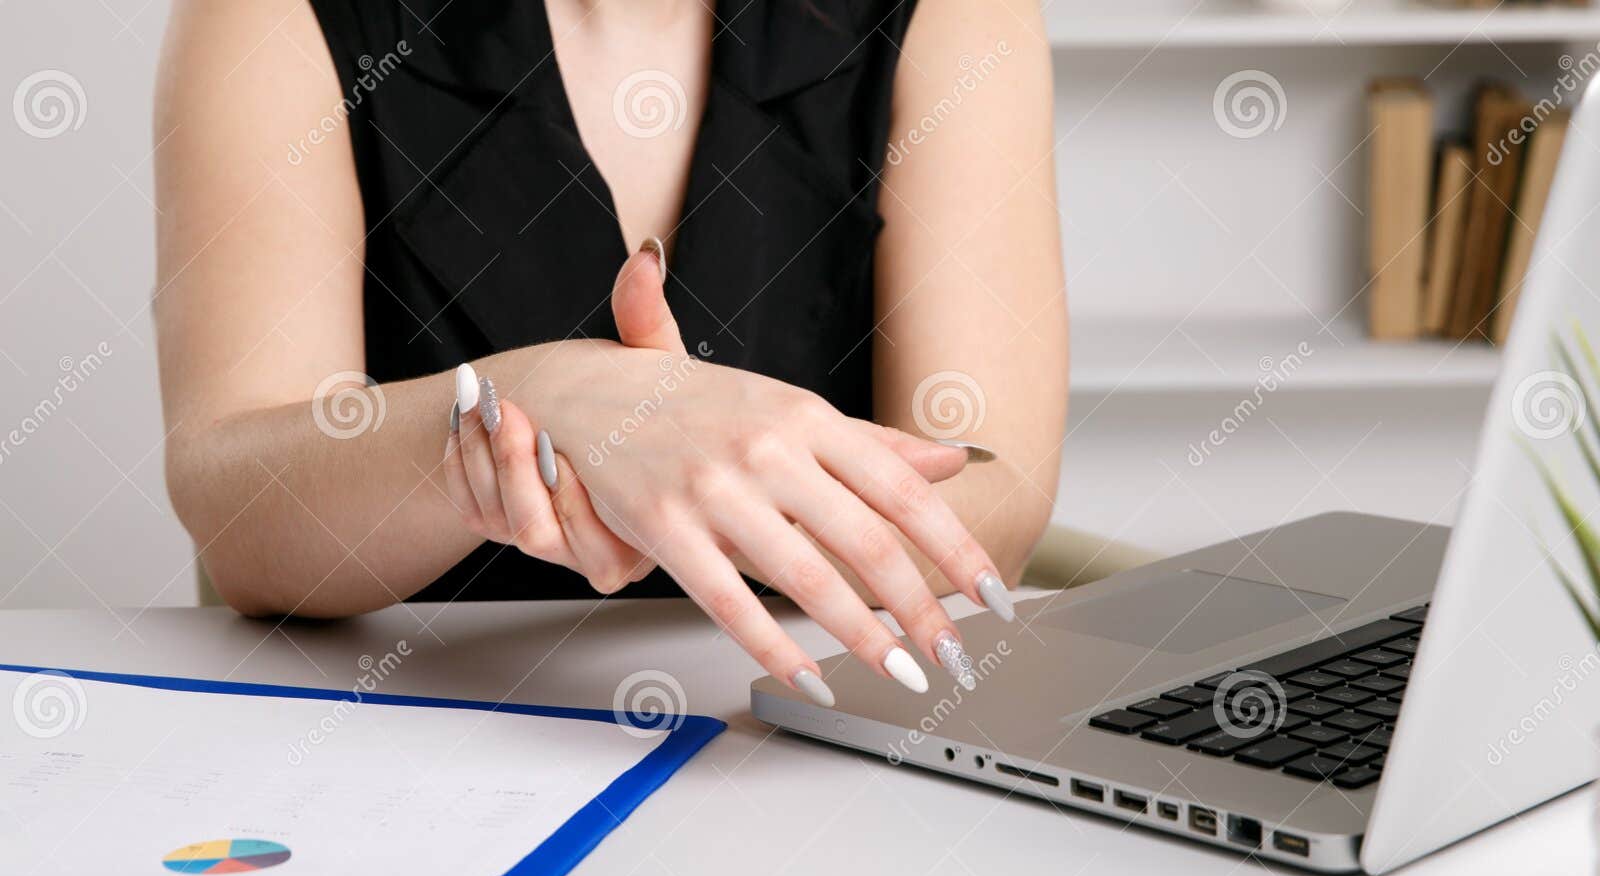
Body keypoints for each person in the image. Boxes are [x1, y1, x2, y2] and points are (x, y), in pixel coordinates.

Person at [153, 0, 1069, 705]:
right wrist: (532, 397)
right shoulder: (273, 16)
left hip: (810, 748)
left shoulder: (951, 15)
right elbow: (239, 509)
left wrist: (692, 455)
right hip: (410, 728)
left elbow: (994, 497)